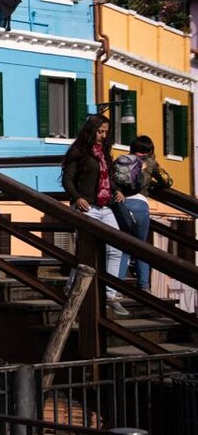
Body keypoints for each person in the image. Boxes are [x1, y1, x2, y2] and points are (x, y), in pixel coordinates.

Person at [61, 114, 128, 316]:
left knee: (116, 247)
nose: (103, 136)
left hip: (105, 206)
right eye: (100, 132)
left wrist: (116, 190)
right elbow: (67, 179)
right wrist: (76, 198)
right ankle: (71, 287)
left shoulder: (105, 152)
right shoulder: (79, 152)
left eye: (106, 132)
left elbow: (106, 177)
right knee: (87, 250)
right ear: (91, 131)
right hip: (86, 206)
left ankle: (110, 294)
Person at [116, 135, 172, 293]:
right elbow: (167, 181)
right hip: (139, 205)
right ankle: (144, 287)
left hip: (121, 205)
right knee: (141, 247)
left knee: (123, 246)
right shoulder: (150, 163)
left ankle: (116, 287)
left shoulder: (121, 160)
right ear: (150, 149)